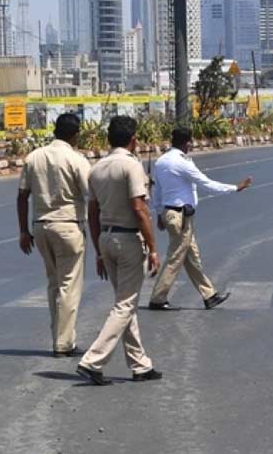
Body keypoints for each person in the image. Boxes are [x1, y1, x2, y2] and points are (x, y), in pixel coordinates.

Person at [76, 116, 163, 385]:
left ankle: (140, 364)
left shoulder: (97, 169)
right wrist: (153, 247)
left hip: (106, 238)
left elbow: (92, 213)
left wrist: (98, 251)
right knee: (125, 304)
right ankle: (92, 361)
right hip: (127, 240)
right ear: (133, 139)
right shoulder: (131, 165)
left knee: (126, 303)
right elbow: (139, 208)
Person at [147, 127, 251, 311]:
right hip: (180, 217)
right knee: (175, 257)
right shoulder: (183, 163)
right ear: (187, 142)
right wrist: (235, 188)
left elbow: (157, 190)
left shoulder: (161, 161)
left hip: (171, 214)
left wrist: (159, 214)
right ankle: (157, 298)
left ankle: (209, 295)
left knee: (192, 257)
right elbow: (206, 183)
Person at [17, 113, 92, 358]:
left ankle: (59, 337)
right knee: (69, 286)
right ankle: (63, 343)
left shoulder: (34, 157)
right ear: (75, 135)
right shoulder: (76, 159)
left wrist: (23, 231)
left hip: (41, 227)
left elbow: (22, 196)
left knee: (54, 284)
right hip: (68, 226)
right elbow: (91, 194)